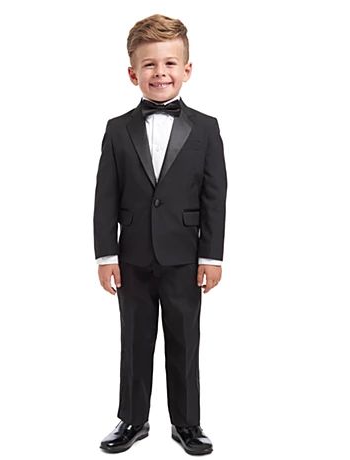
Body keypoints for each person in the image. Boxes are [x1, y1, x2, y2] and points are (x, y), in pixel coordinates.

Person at [93, 13, 227, 456]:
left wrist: (212, 257)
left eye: (170, 64)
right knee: (134, 340)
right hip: (131, 258)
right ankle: (132, 418)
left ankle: (187, 424)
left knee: (185, 341)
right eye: (149, 66)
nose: (160, 73)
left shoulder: (206, 128)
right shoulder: (117, 130)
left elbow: (215, 196)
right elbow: (105, 196)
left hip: (186, 259)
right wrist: (104, 256)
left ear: (187, 69)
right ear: (133, 73)